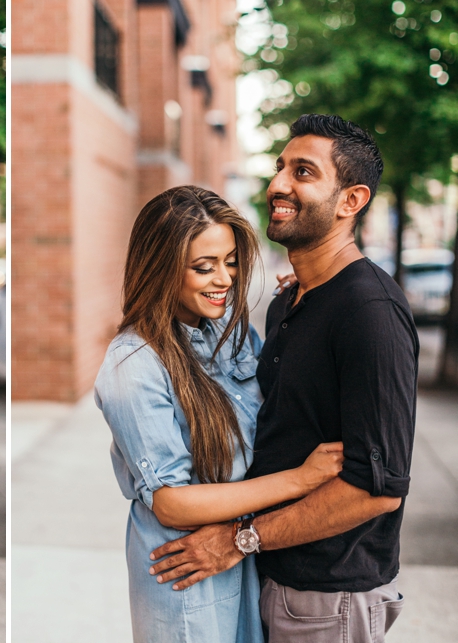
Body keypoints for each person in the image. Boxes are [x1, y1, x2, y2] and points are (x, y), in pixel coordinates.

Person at [149, 115, 417, 643]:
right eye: (278, 167)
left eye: (303, 172)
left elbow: (378, 489)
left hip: (328, 597)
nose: (277, 185)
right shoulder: (292, 299)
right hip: (278, 582)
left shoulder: (369, 312)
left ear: (351, 200)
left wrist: (239, 539)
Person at [94, 185, 344, 643]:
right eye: (203, 267)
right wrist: (300, 480)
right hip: (186, 573)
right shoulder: (133, 365)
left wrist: (304, 302)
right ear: (160, 269)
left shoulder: (232, 333)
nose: (225, 279)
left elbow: (281, 399)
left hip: (245, 554)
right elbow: (171, 502)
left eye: (230, 261)